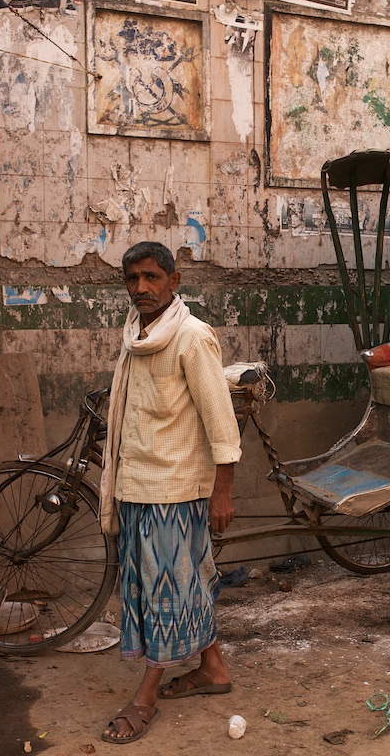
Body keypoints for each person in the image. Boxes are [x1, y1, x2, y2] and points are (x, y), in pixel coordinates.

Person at [98, 241, 242, 744]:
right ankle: (214, 668)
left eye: (152, 277)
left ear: (174, 280)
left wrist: (222, 492)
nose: (141, 287)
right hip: (137, 485)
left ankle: (146, 696)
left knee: (166, 594)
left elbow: (221, 423)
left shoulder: (191, 337)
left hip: (174, 491)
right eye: (133, 278)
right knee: (184, 584)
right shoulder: (135, 333)